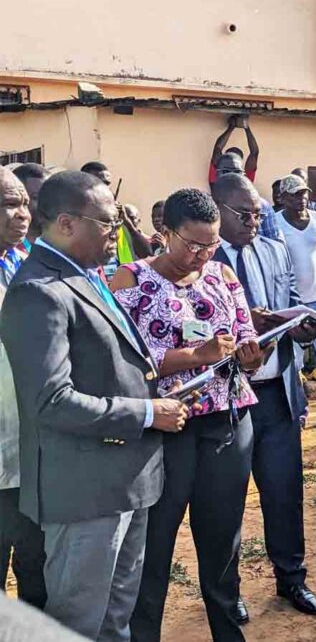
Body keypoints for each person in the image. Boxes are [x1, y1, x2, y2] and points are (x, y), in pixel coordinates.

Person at [0, 170, 189, 640]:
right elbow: (52, 400)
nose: (117, 231)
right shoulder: (37, 291)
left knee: (113, 619)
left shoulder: (82, 274)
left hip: (122, 479)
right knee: (80, 621)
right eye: (107, 222)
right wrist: (146, 413)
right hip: (86, 492)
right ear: (66, 223)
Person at [112, 188, 265, 642]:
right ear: (164, 233)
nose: (201, 255)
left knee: (222, 538)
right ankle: (144, 633)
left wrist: (252, 355)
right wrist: (192, 355)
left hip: (227, 420)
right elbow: (121, 363)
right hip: (165, 428)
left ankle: (226, 631)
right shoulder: (130, 279)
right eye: (192, 245)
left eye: (210, 244)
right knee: (154, 542)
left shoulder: (222, 275)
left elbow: (243, 336)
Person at [210, 174, 316, 619]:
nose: (255, 222)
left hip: (277, 394)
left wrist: (299, 324)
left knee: (283, 492)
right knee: (227, 499)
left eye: (258, 213)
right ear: (217, 210)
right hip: (227, 400)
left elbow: (291, 300)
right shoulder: (202, 260)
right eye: (245, 214)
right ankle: (227, 590)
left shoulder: (275, 250)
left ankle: (291, 579)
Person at [261, 174, 316, 428]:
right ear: (283, 198)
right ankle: (301, 408)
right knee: (295, 360)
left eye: (304, 193)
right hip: (291, 302)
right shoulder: (275, 224)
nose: (302, 199)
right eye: (296, 194)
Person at [0, 167, 45, 609]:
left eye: (25, 204)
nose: (22, 214)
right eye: (10, 204)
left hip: (30, 447)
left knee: (36, 564)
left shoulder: (24, 260)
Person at [209, 115, 259, 185]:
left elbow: (254, 153)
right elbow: (217, 150)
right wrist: (231, 127)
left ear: (240, 163)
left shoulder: (245, 181)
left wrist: (246, 127)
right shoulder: (218, 176)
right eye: (229, 157)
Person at [12, 163, 50, 248]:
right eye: (36, 197)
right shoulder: (7, 249)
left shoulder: (62, 244)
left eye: (50, 197)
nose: (47, 203)